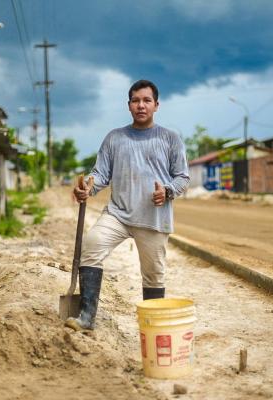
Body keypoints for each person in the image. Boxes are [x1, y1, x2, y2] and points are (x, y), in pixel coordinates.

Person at [68, 79, 189, 330]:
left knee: (154, 274)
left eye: (146, 100)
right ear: (129, 105)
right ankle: (87, 317)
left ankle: (152, 326)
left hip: (153, 217)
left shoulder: (170, 139)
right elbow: (100, 173)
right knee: (91, 245)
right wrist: (89, 187)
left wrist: (167, 192)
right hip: (118, 214)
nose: (141, 105)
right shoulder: (115, 138)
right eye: (136, 101)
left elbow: (182, 178)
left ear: (156, 105)